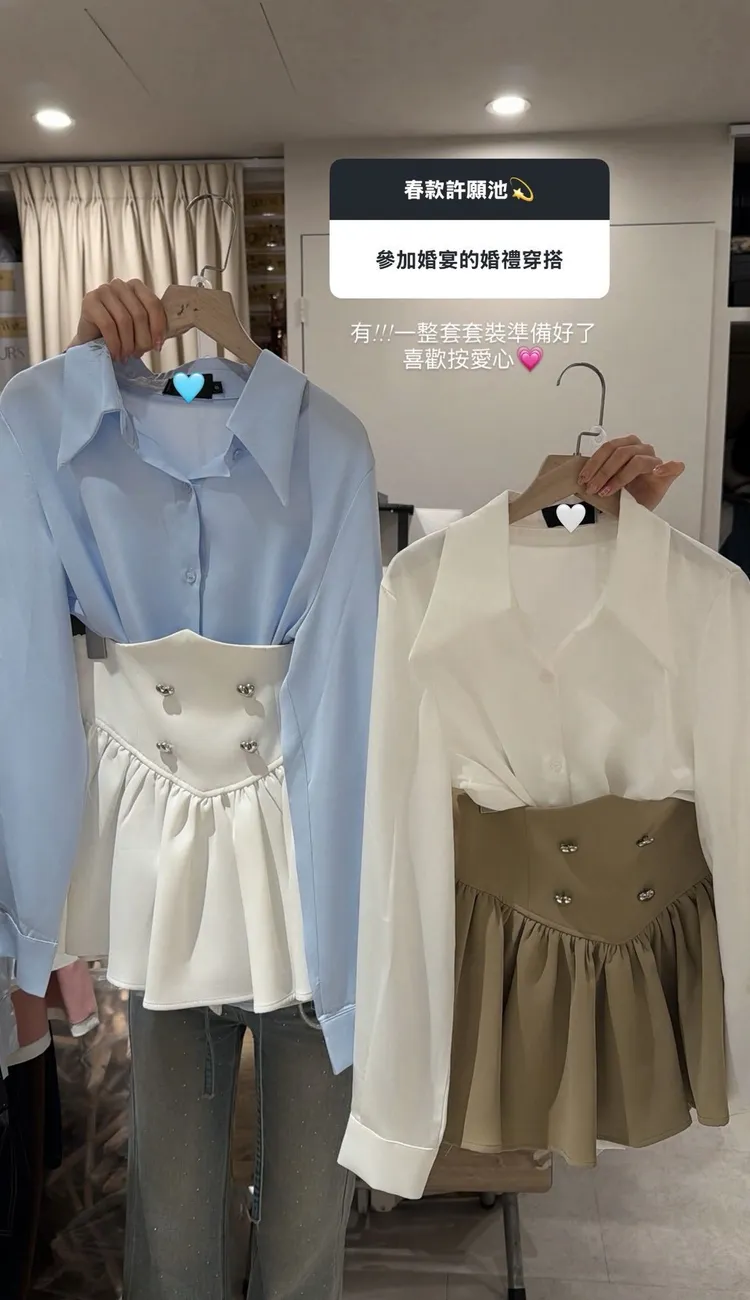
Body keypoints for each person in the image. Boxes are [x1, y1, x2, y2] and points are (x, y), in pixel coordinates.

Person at [67, 278, 685, 1300]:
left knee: (306, 1215)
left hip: (326, 893)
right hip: (175, 878)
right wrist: (78, 391)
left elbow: (443, 608)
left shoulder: (337, 460)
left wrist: (577, 522)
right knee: (173, 1216)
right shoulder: (87, 450)